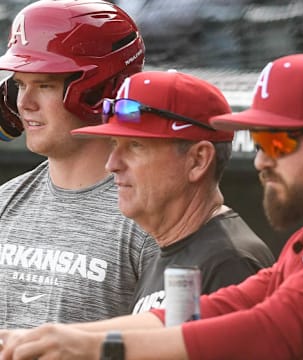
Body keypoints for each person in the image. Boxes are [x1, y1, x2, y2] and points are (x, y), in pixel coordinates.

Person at [2, 52, 303, 359]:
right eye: (259, 142)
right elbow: (220, 308)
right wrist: (64, 338)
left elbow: (274, 328)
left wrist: (97, 348)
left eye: (277, 142)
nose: (261, 162)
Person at [0, 0, 158, 328]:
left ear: (100, 90)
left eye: (44, 85)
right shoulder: (5, 203)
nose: (25, 103)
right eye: (20, 84)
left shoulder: (154, 216)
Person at [71, 69, 274, 314]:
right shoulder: (170, 249)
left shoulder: (230, 262)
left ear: (198, 161)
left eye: (135, 146)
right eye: (114, 144)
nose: (112, 164)